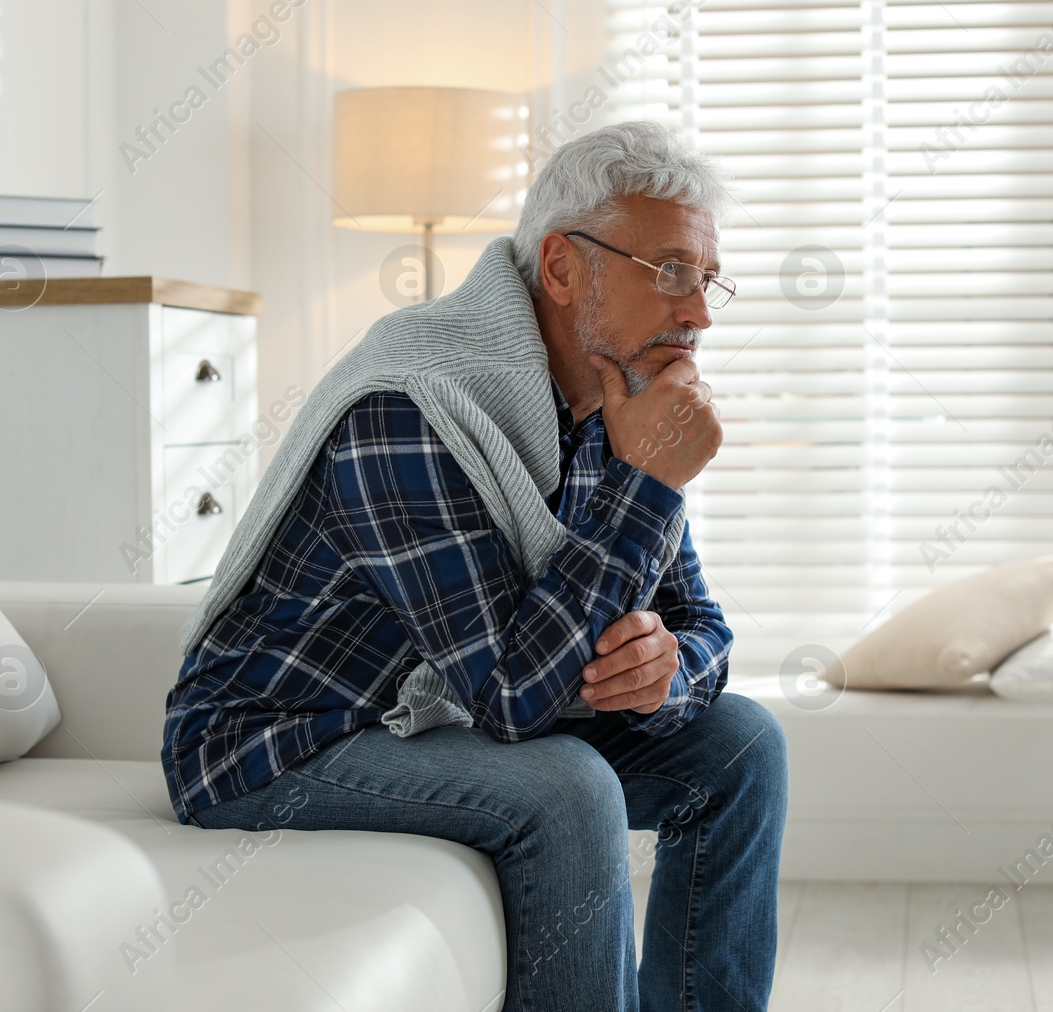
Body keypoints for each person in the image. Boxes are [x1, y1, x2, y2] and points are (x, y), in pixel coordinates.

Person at [162, 120, 789, 1011]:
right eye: (670, 273)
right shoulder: (411, 406)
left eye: (706, 278)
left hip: (437, 705)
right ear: (565, 268)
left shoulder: (621, 393)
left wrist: (668, 670)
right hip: (282, 738)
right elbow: (510, 698)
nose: (699, 312)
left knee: (744, 746)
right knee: (568, 788)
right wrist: (647, 484)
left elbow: (701, 625)